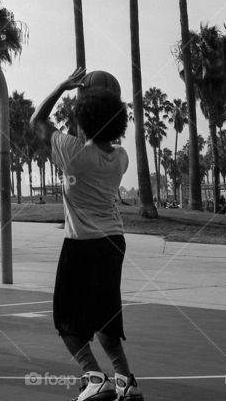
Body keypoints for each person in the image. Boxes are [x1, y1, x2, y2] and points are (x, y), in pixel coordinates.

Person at [31, 68, 142, 401]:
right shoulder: (120, 157)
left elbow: (37, 120)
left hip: (82, 245)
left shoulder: (73, 153)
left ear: (82, 119)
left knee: (66, 320)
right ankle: (125, 381)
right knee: (105, 318)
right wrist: (99, 105)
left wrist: (64, 87)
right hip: (114, 243)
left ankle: (94, 377)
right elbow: (94, 132)